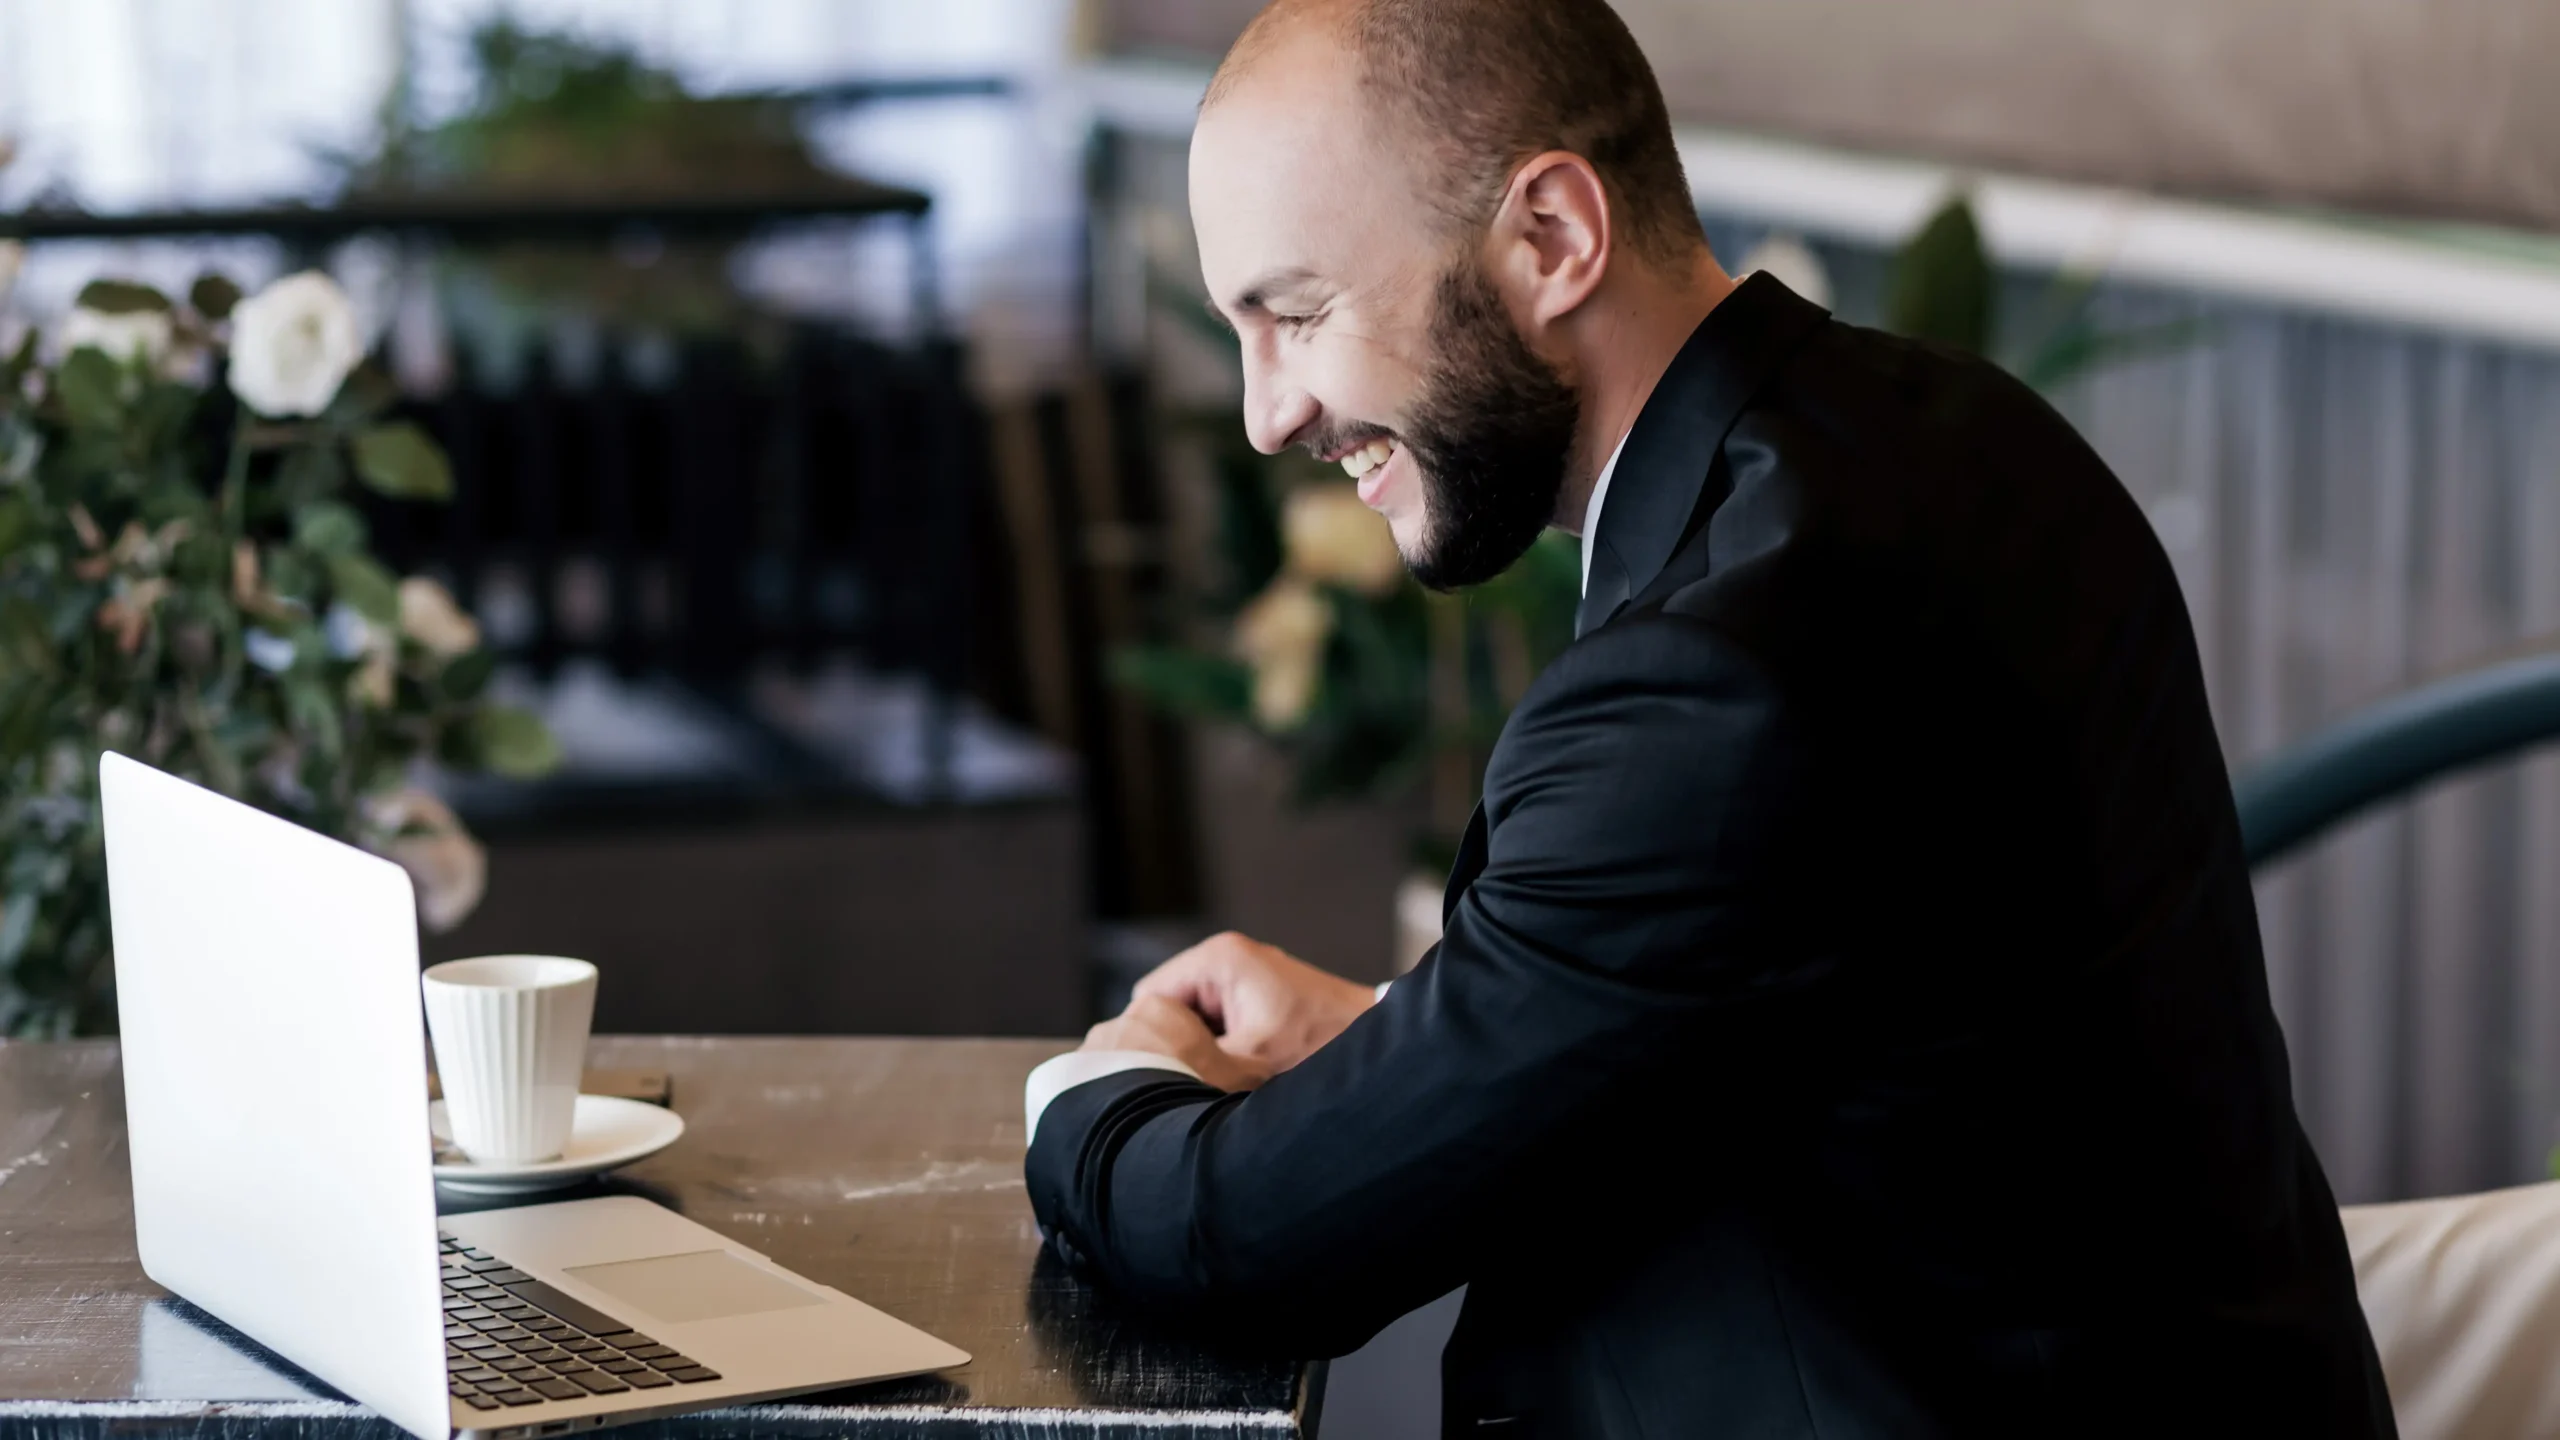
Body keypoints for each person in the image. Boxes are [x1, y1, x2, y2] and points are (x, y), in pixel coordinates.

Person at [1023, 1, 2397, 1434]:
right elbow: (1847, 1030)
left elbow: (1248, 1245)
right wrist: (1398, 1039)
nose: (1264, 415)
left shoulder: (1723, 665)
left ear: (1553, 237)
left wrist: (1100, 1092)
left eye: (1296, 314)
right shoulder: (1961, 436)